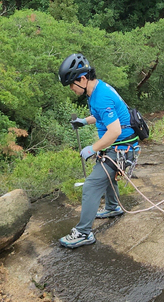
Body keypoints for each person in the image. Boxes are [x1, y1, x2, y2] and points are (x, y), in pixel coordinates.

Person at [57, 54, 140, 249]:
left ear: (83, 79)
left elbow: (115, 131)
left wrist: (92, 148)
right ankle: (112, 207)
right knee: (105, 174)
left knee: (91, 185)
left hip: (122, 148)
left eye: (72, 84)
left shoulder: (100, 96)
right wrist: (84, 121)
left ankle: (84, 233)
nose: (72, 89)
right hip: (119, 146)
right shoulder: (97, 90)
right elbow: (100, 115)